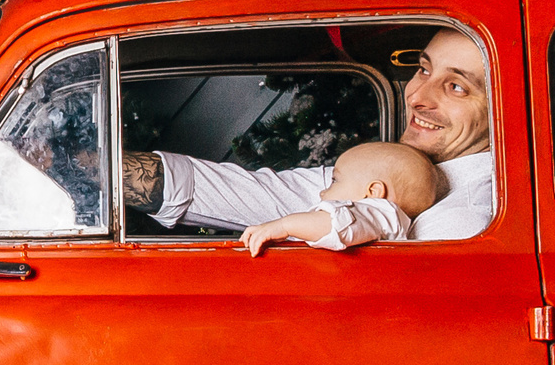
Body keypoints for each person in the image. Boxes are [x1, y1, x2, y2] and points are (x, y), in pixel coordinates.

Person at [123, 28, 496, 240]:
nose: (416, 97)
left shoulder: (468, 223)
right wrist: (100, 172)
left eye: (457, 87)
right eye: (424, 70)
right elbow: (255, 195)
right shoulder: (389, 170)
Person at [241, 140, 439, 254]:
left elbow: (338, 224)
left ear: (373, 192)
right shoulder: (386, 221)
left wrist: (283, 226)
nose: (322, 192)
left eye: (335, 180)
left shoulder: (382, 213)